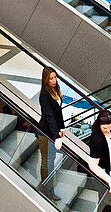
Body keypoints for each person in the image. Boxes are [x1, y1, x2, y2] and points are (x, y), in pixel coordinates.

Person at [37, 67, 66, 200]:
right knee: (47, 162)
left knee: (51, 161)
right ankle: (47, 190)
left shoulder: (55, 90)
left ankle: (47, 188)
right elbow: (49, 116)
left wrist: (62, 127)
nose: (54, 81)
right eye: (51, 78)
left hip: (53, 132)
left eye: (55, 77)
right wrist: (56, 137)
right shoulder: (44, 95)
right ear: (46, 80)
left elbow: (58, 113)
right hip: (45, 133)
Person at [85, 109, 111, 197]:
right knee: (104, 197)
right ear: (99, 125)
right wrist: (110, 181)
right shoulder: (97, 139)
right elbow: (93, 165)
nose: (108, 130)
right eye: (105, 128)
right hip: (104, 175)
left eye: (110, 127)